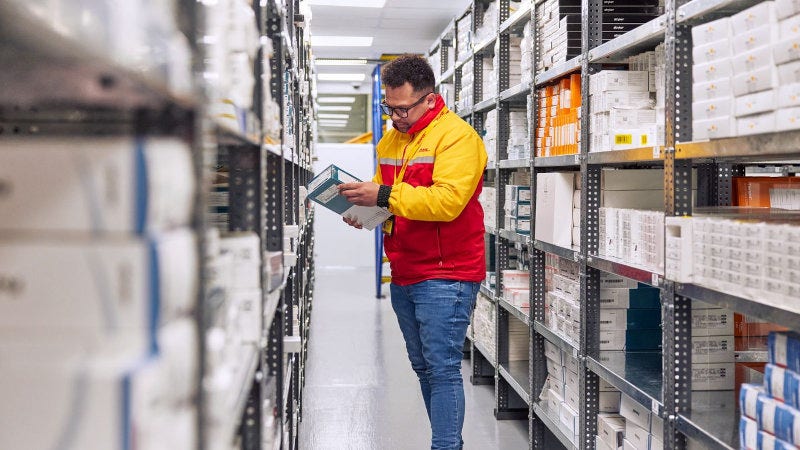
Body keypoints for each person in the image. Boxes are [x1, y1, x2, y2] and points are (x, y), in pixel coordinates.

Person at [337, 54, 487, 450]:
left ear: (430, 99)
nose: (396, 116)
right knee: (424, 367)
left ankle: (446, 446)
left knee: (442, 368)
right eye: (390, 107)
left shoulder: (457, 137)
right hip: (405, 268)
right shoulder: (392, 139)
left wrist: (382, 194)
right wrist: (364, 209)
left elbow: (448, 202)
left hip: (446, 272)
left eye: (403, 108)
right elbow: (387, 196)